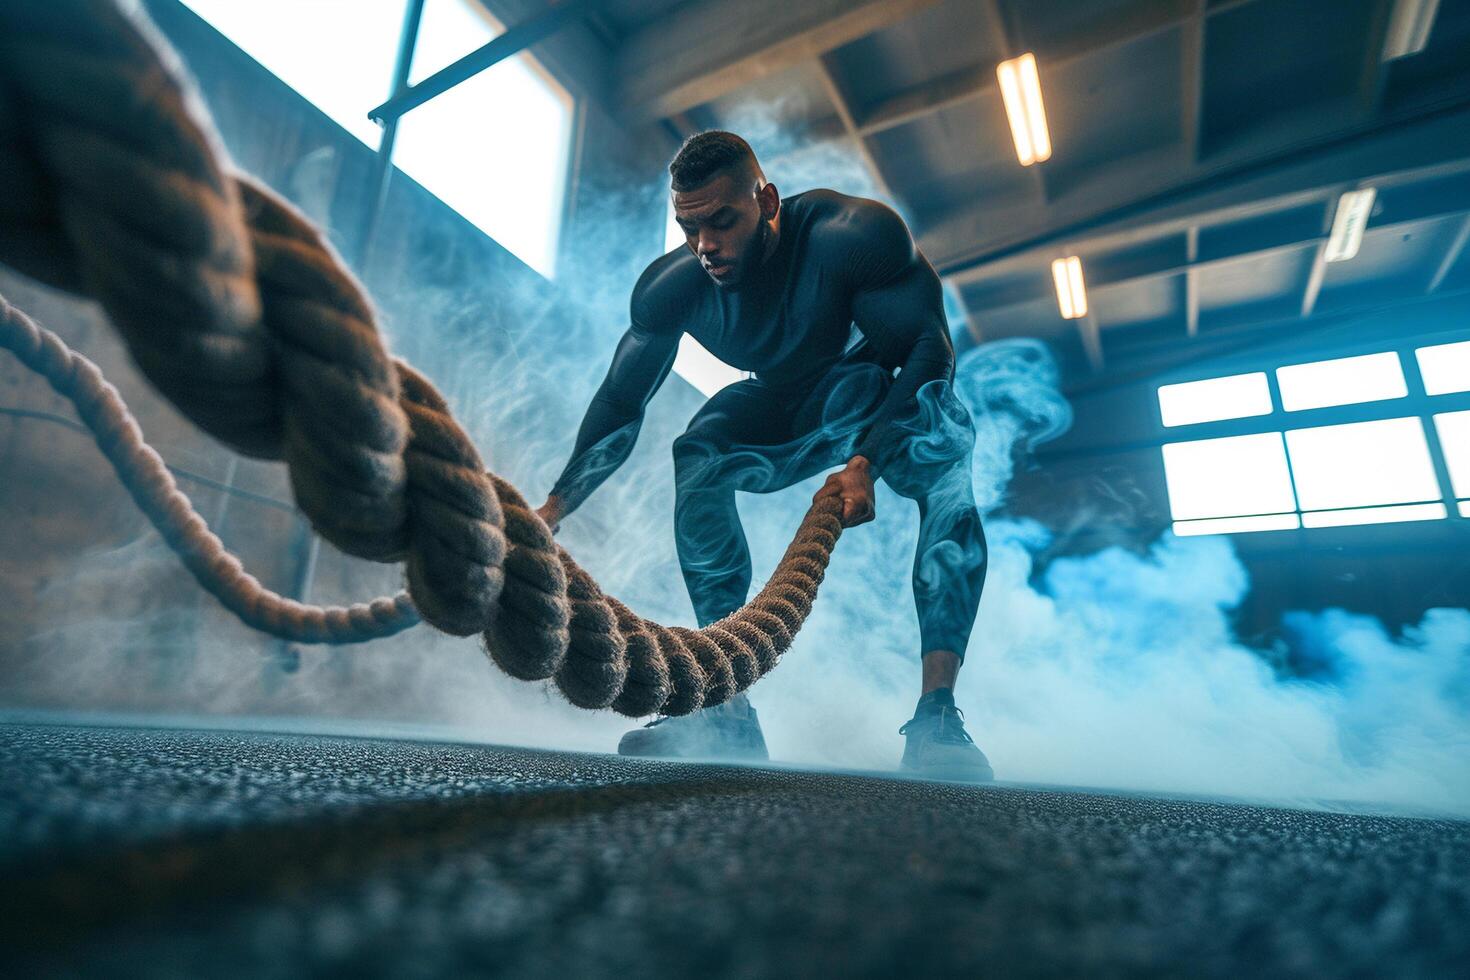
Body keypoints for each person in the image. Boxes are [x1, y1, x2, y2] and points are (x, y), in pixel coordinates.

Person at [537, 131, 992, 780]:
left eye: (723, 221)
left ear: (768, 201)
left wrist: (864, 461)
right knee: (699, 454)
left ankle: (937, 715)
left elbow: (929, 352)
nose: (707, 246)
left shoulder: (853, 237)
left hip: (888, 387)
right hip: (790, 404)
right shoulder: (673, 290)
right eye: (689, 228)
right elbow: (620, 402)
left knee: (946, 462)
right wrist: (556, 504)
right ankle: (724, 706)